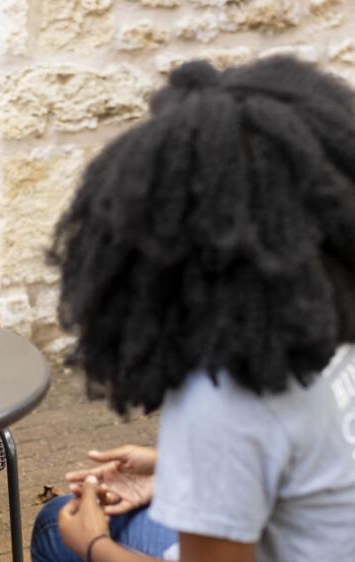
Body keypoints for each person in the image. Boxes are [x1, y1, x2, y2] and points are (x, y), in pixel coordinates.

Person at [31, 56, 355, 562]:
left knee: (56, 529)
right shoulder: (334, 317)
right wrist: (173, 468)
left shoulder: (224, 394)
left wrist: (92, 545)